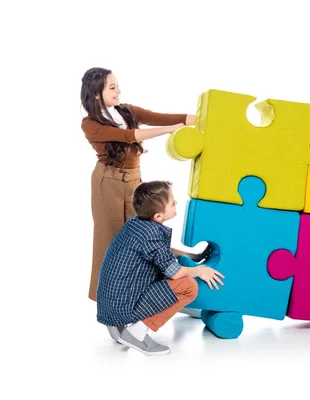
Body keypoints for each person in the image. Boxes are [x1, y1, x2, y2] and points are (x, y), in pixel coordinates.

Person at [80, 67, 196, 301]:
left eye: (117, 85)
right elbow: (129, 136)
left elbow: (163, 117)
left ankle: (174, 271)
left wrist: (204, 120)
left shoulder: (126, 111)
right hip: (107, 183)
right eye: (112, 87)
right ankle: (106, 298)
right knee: (110, 239)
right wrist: (170, 130)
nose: (118, 90)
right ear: (95, 94)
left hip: (133, 179)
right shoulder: (89, 124)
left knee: (147, 234)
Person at [96, 181, 225, 355]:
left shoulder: (137, 224)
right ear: (158, 216)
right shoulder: (152, 234)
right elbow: (175, 272)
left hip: (111, 306)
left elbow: (160, 252)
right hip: (124, 306)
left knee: (171, 274)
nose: (176, 203)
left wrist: (193, 256)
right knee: (189, 287)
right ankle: (136, 333)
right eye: (172, 202)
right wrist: (199, 270)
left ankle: (119, 328)